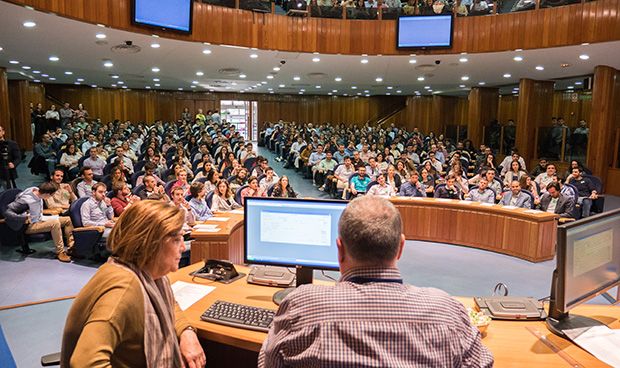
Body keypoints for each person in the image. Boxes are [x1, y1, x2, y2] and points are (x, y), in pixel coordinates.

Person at [258, 195, 493, 367]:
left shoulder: (301, 305)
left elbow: (269, 364)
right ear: (401, 247)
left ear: (339, 250)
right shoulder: (446, 311)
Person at [61, 200, 206, 367]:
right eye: (176, 239)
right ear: (150, 243)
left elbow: (170, 304)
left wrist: (186, 332)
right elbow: (84, 363)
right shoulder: (123, 289)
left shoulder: (150, 273)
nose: (182, 247)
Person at [5, 182, 75, 262]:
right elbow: (7, 212)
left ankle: (71, 247)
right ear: (47, 194)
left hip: (40, 218)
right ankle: (60, 252)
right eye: (51, 195)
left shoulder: (38, 191)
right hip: (29, 225)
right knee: (54, 223)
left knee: (67, 220)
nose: (51, 197)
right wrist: (23, 218)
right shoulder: (25, 200)